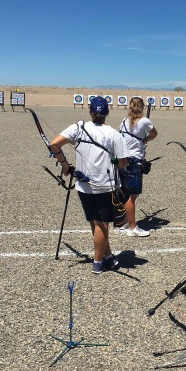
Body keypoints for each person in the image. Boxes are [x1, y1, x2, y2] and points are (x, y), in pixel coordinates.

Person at [49, 96, 129, 274]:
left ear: (90, 112)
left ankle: (107, 256)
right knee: (102, 224)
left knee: (95, 222)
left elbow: (54, 144)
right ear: (107, 113)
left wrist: (65, 165)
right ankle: (98, 262)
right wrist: (114, 160)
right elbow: (123, 163)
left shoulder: (78, 127)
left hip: (84, 186)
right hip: (104, 186)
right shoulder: (114, 134)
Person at [119, 97, 158, 237]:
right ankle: (132, 227)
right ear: (141, 107)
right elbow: (154, 134)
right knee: (132, 195)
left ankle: (125, 221)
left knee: (126, 193)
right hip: (134, 160)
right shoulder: (144, 121)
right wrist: (145, 139)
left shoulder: (123, 121)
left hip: (123, 159)